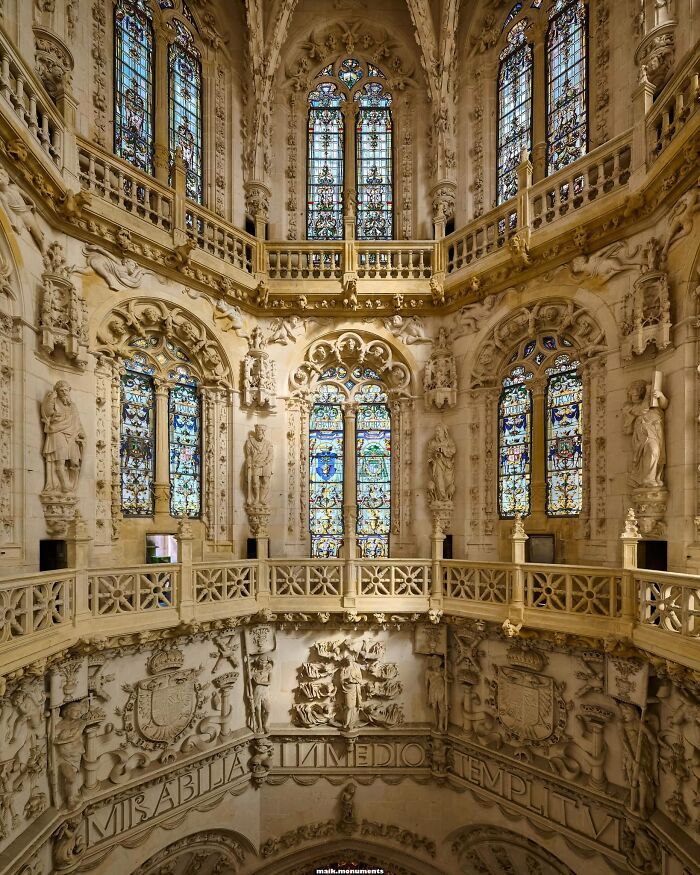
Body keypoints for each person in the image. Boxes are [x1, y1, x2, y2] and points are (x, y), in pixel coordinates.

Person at [41, 382, 85, 493]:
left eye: (66, 390)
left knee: (74, 462)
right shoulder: (54, 401)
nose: (64, 392)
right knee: (59, 461)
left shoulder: (73, 405)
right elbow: (47, 412)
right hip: (57, 433)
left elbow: (77, 422)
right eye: (61, 390)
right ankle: (64, 486)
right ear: (57, 391)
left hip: (72, 435)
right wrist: (51, 398)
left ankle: (72, 484)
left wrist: (81, 432)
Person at [622, 380, 668, 488]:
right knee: (651, 450)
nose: (634, 396)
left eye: (637, 394)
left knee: (656, 453)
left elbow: (664, 405)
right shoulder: (628, 406)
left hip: (656, 431)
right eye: (632, 394)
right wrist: (648, 393)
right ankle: (648, 479)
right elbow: (642, 409)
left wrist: (660, 396)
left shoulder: (652, 402)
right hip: (642, 435)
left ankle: (654, 477)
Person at [244, 424, 273, 507]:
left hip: (266, 464)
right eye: (258, 432)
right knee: (255, 481)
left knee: (266, 481)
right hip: (255, 463)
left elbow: (270, 455)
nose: (259, 434)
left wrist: (264, 462)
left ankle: (262, 498)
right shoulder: (250, 442)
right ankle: (256, 498)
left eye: (261, 432)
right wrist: (249, 463)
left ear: (263, 433)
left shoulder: (268, 443)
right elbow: (248, 455)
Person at [427, 425, 456, 503]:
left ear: (444, 432)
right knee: (438, 479)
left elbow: (453, 450)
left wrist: (443, 450)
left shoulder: (449, 441)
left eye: (438, 431)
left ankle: (445, 496)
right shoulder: (432, 443)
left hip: (447, 466)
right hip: (437, 464)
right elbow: (429, 454)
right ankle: (441, 496)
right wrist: (433, 457)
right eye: (436, 431)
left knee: (447, 481)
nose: (437, 433)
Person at [250, 655, 273, 734]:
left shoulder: (268, 671)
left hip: (265, 692)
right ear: (258, 662)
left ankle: (264, 724)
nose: (263, 664)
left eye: (265, 663)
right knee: (258, 710)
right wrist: (248, 694)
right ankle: (260, 726)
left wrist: (259, 682)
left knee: (268, 710)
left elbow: (269, 682)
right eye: (261, 662)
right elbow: (248, 683)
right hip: (257, 692)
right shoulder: (254, 671)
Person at [340, 654, 363, 729]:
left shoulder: (356, 668)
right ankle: (346, 722)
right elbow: (341, 680)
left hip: (355, 688)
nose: (349, 662)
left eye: (350, 660)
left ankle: (351, 722)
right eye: (348, 661)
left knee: (354, 706)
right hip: (347, 690)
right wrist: (346, 680)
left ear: (353, 660)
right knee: (349, 706)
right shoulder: (344, 669)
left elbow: (360, 679)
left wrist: (353, 680)